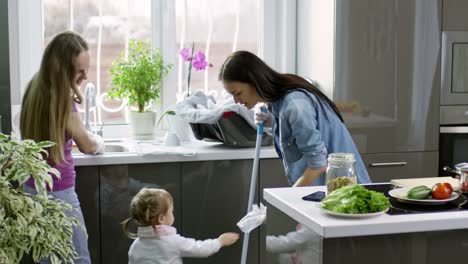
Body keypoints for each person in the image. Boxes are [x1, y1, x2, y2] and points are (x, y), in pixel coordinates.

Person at [219, 50, 371, 187]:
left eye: (237, 93)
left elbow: (318, 164)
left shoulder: (296, 106)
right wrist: (272, 120)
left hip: (343, 191)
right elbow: (298, 129)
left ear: (254, 81)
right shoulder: (280, 100)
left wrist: (287, 202)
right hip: (329, 190)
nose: (236, 101)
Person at [20, 31, 104, 264]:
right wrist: (99, 142)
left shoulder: (34, 88)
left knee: (47, 259)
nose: (85, 76)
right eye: (80, 70)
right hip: (59, 193)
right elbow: (87, 145)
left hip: (32, 191)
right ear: (62, 69)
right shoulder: (63, 102)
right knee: (78, 259)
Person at [122, 188, 240, 264]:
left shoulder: (135, 246)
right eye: (171, 211)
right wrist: (219, 241)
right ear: (161, 218)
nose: (173, 213)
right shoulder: (171, 241)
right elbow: (199, 249)